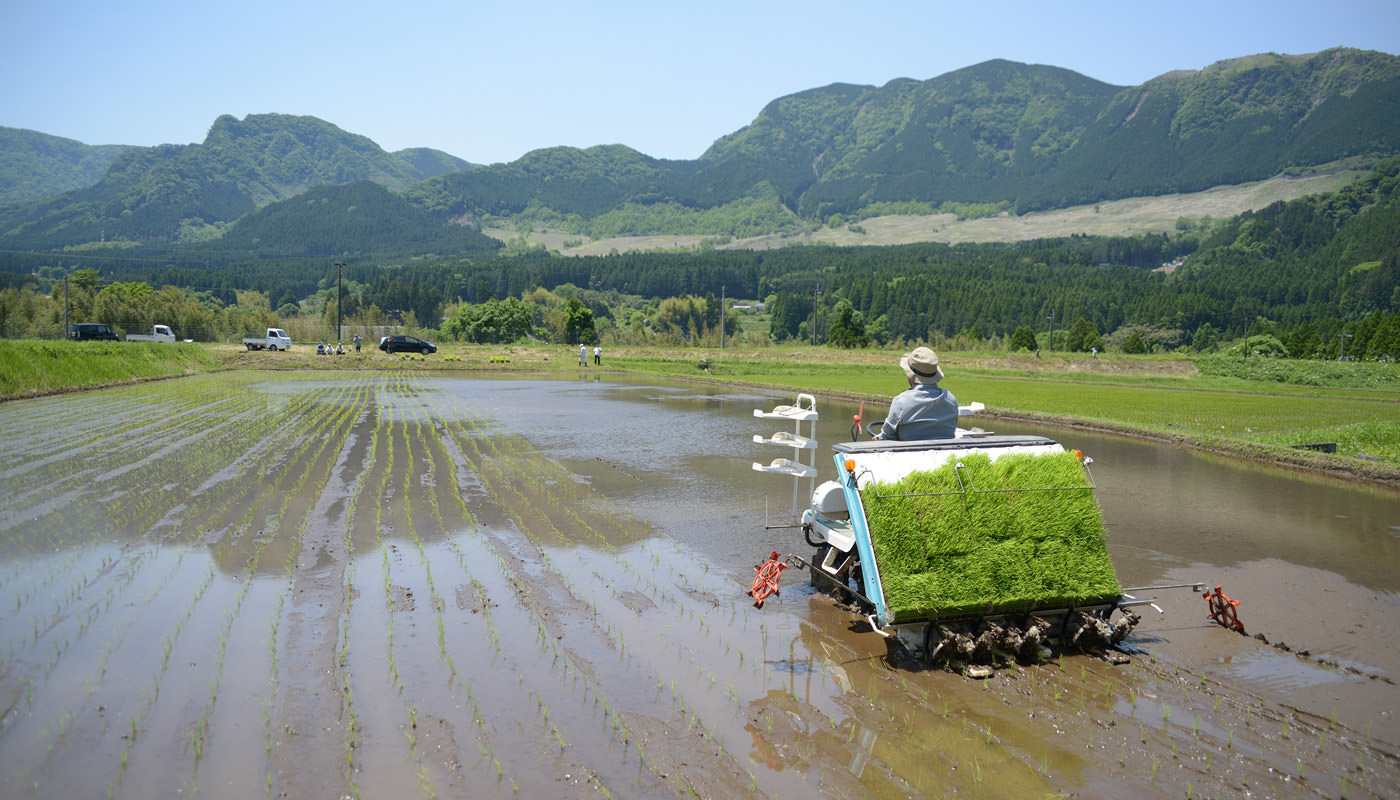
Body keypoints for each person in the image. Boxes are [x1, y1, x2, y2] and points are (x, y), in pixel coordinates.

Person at [875, 347, 958, 441]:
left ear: (910, 375)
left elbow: (887, 437)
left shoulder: (901, 401)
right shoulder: (950, 399)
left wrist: (878, 438)